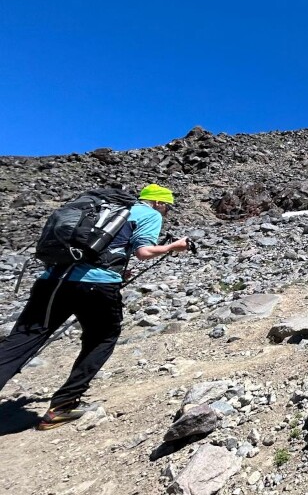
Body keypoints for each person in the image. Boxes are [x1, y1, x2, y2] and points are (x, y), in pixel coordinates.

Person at [0, 184, 190, 430]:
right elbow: (144, 252)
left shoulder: (104, 209)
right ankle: (63, 406)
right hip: (96, 286)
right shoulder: (149, 214)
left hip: (52, 280)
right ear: (160, 203)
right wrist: (174, 247)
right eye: (167, 208)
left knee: (22, 339)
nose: (166, 213)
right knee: (103, 337)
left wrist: (118, 265)